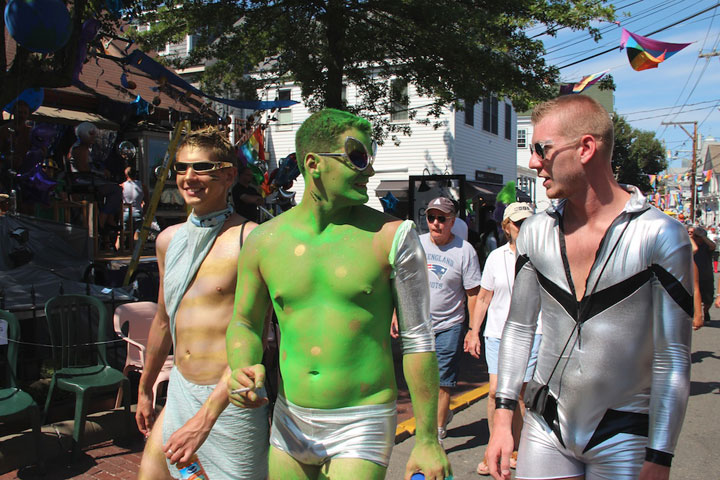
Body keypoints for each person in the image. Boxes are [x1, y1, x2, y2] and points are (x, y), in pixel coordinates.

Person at [226, 108, 450, 480]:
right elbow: (245, 323)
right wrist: (241, 366)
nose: (370, 171)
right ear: (313, 164)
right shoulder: (263, 241)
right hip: (289, 418)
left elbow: (418, 340)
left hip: (362, 419)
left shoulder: (392, 236)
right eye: (358, 158)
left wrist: (427, 437)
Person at [486, 95, 692, 480]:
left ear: (585, 148)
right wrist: (501, 419)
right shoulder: (535, 232)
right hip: (546, 424)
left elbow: (672, 356)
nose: (533, 162)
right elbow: (518, 326)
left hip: (624, 432)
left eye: (541, 149)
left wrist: (660, 455)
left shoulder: (660, 235)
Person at [136, 127, 268, 479]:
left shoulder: (250, 240)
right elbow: (164, 320)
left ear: (228, 175)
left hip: (231, 400)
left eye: (201, 168)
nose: (188, 177)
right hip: (180, 390)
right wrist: (146, 386)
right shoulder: (168, 241)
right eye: (180, 168)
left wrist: (204, 420)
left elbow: (255, 336)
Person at [464, 202, 542, 475]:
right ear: (506, 226)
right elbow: (484, 297)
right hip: (497, 332)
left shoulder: (542, 255)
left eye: (528, 223)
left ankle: (516, 447)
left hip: (533, 331)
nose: (524, 228)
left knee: (519, 391)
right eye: (519, 223)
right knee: (496, 391)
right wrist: (473, 331)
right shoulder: (496, 257)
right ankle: (493, 447)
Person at [415, 196, 481, 445]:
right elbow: (404, 283)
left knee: (443, 382)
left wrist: (473, 330)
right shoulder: (417, 244)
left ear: (452, 221)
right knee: (422, 381)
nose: (435, 223)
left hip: (450, 326)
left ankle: (437, 434)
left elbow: (473, 293)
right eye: (431, 218)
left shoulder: (465, 251)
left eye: (441, 219)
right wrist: (395, 314)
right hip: (420, 324)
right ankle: (440, 416)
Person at [67, 122, 123, 249]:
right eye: (91, 135)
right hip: (84, 181)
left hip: (86, 180)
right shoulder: (80, 148)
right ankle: (103, 220)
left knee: (114, 189)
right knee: (116, 190)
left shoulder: (81, 148)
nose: (93, 138)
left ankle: (108, 220)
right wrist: (101, 172)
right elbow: (83, 169)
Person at [688, 225, 715, 325]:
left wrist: (702, 236)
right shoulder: (688, 245)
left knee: (708, 300)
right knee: (694, 296)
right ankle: (696, 315)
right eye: (689, 233)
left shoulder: (706, 246)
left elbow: (713, 246)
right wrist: (690, 238)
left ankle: (706, 311)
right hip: (692, 276)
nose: (691, 235)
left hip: (706, 276)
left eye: (693, 234)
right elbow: (693, 250)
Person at [118, 166, 149, 246]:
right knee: (137, 233)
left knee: (121, 234)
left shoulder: (122, 186)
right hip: (137, 211)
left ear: (126, 175)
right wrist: (144, 212)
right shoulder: (142, 186)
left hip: (126, 212)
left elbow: (118, 201)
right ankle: (135, 251)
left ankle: (118, 250)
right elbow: (147, 201)